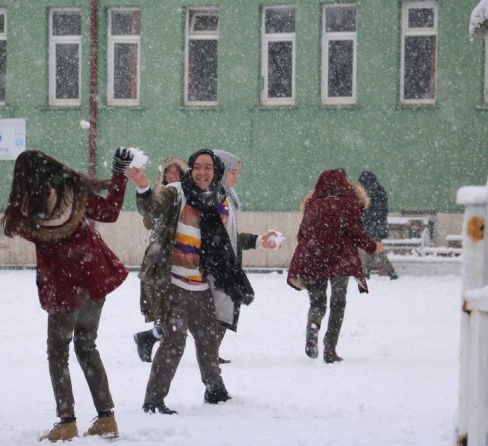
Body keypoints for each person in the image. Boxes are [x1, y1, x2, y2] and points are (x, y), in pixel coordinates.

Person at [0, 148, 133, 442]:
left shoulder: (25, 213)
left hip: (63, 289)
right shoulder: (76, 194)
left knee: (58, 352)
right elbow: (110, 212)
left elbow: (25, 228)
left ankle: (67, 421)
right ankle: (107, 418)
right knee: (87, 346)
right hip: (93, 278)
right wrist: (119, 174)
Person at [126, 149, 254, 414]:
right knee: (174, 342)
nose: (202, 172)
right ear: (191, 169)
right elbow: (151, 207)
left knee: (208, 340)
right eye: (197, 167)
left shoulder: (220, 201)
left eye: (208, 167)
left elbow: (225, 242)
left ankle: (215, 390)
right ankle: (154, 400)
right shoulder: (176, 192)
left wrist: (256, 241)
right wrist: (143, 186)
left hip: (201, 285)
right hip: (173, 283)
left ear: (216, 171)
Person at [287, 169, 384, 364]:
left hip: (312, 259)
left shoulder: (312, 205)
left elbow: (302, 235)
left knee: (317, 303)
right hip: (340, 260)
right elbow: (355, 233)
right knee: (338, 303)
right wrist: (373, 246)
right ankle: (330, 349)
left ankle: (313, 327)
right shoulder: (349, 204)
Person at [212, 149, 282, 364]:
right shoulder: (214, 198)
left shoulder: (227, 199)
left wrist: (258, 240)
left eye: (238, 172)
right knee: (213, 311)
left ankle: (209, 354)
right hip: (214, 265)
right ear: (221, 171)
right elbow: (215, 238)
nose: (236, 176)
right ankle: (208, 357)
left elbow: (230, 237)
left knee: (223, 308)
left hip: (224, 264)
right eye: (233, 172)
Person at [133, 157, 188, 363]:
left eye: (176, 172)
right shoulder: (166, 192)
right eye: (168, 172)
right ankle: (153, 340)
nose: (172, 175)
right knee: (167, 308)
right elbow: (149, 219)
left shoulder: (183, 193)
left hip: (181, 255)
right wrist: (149, 192)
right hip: (163, 257)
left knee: (173, 309)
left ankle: (149, 337)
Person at [358, 170, 398, 280]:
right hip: (378, 225)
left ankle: (391, 272)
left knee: (378, 250)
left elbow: (366, 210)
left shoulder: (367, 193)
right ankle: (366, 271)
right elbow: (382, 210)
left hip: (372, 226)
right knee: (373, 249)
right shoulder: (379, 190)